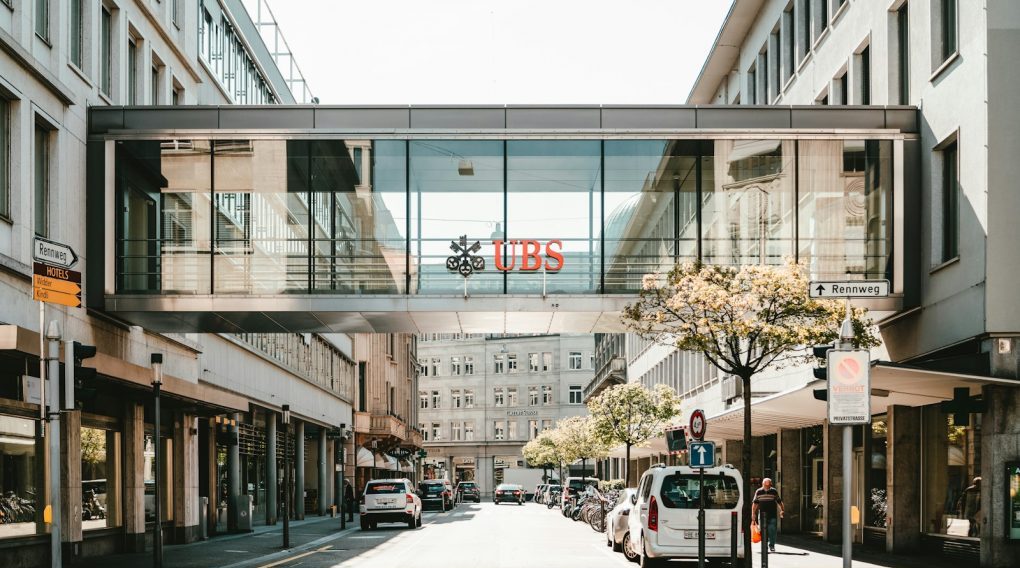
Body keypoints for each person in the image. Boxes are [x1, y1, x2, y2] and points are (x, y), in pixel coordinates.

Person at [751, 478, 785, 553]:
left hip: (772, 514)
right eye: (766, 484)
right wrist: (753, 514)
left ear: (770, 484)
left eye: (768, 483)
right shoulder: (759, 491)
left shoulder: (774, 491)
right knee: (763, 531)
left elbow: (779, 501)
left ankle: (772, 545)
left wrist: (782, 510)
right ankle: (764, 546)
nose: (767, 485)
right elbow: (755, 503)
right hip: (762, 514)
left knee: (772, 530)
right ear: (763, 484)